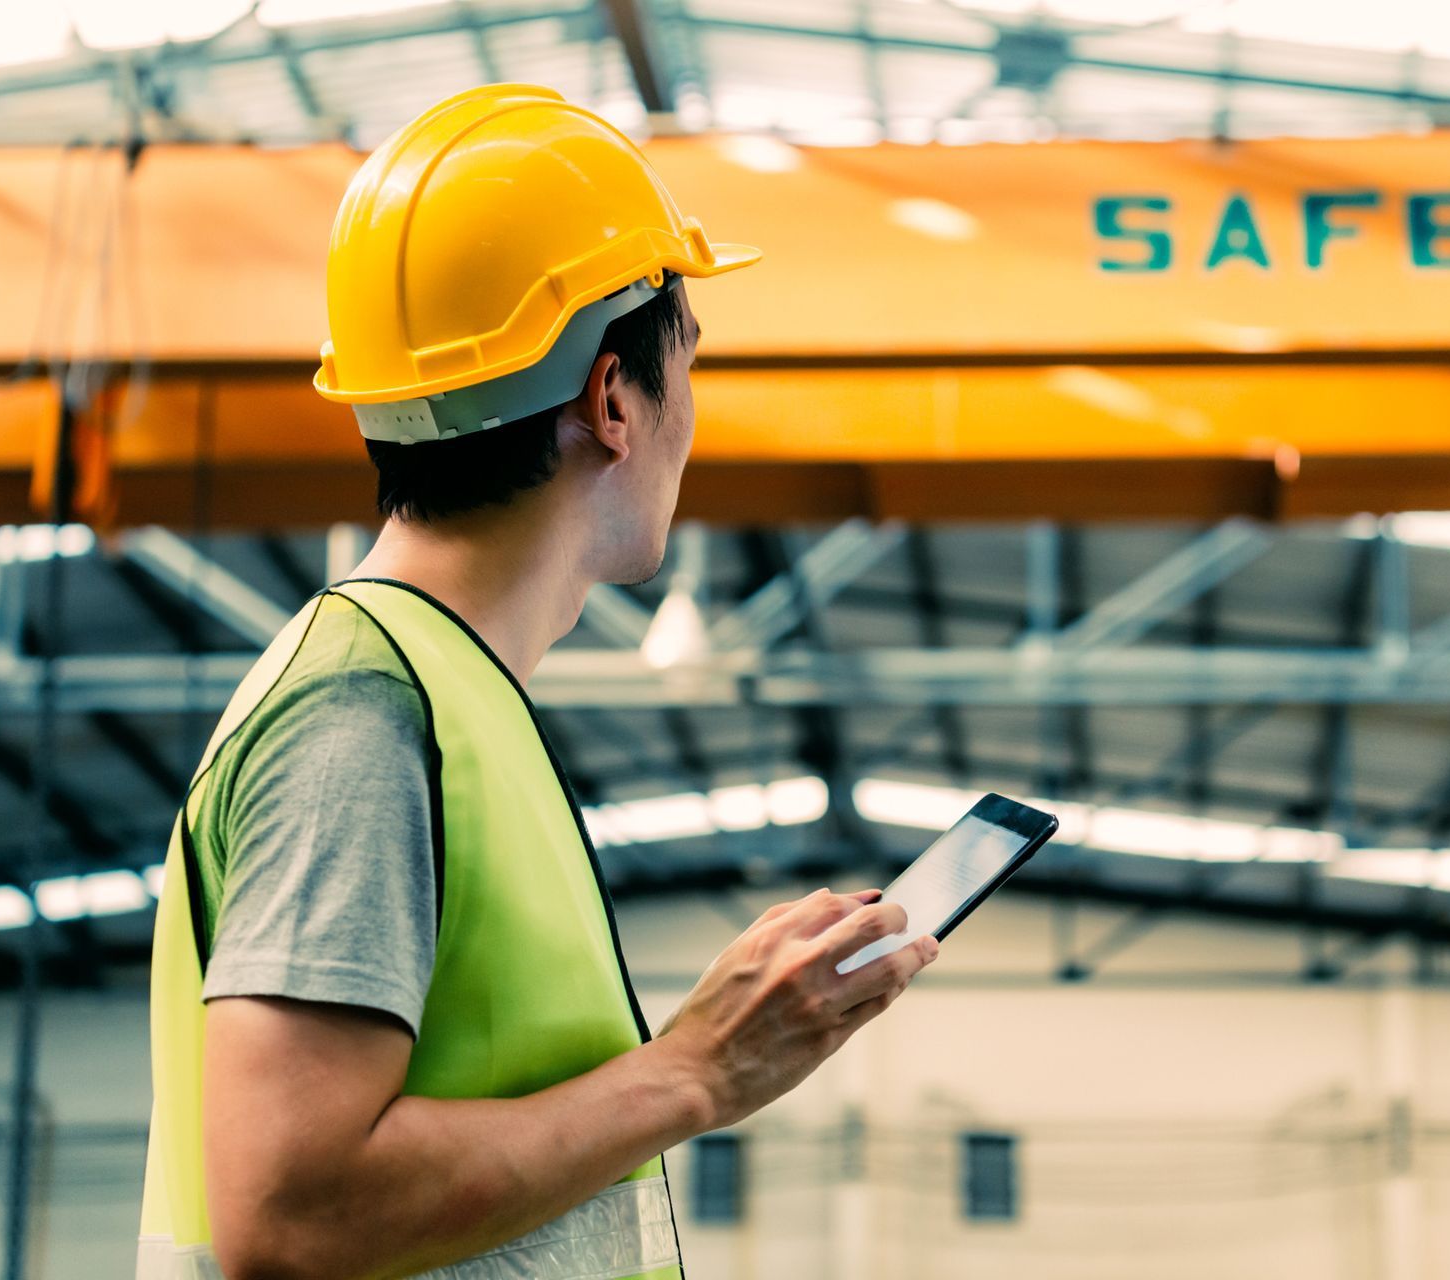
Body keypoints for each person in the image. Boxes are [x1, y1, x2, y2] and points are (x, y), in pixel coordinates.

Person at [137, 84, 936, 1280]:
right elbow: (290, 1211)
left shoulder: (437, 697)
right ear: (612, 399)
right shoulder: (363, 711)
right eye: (689, 368)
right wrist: (695, 1069)